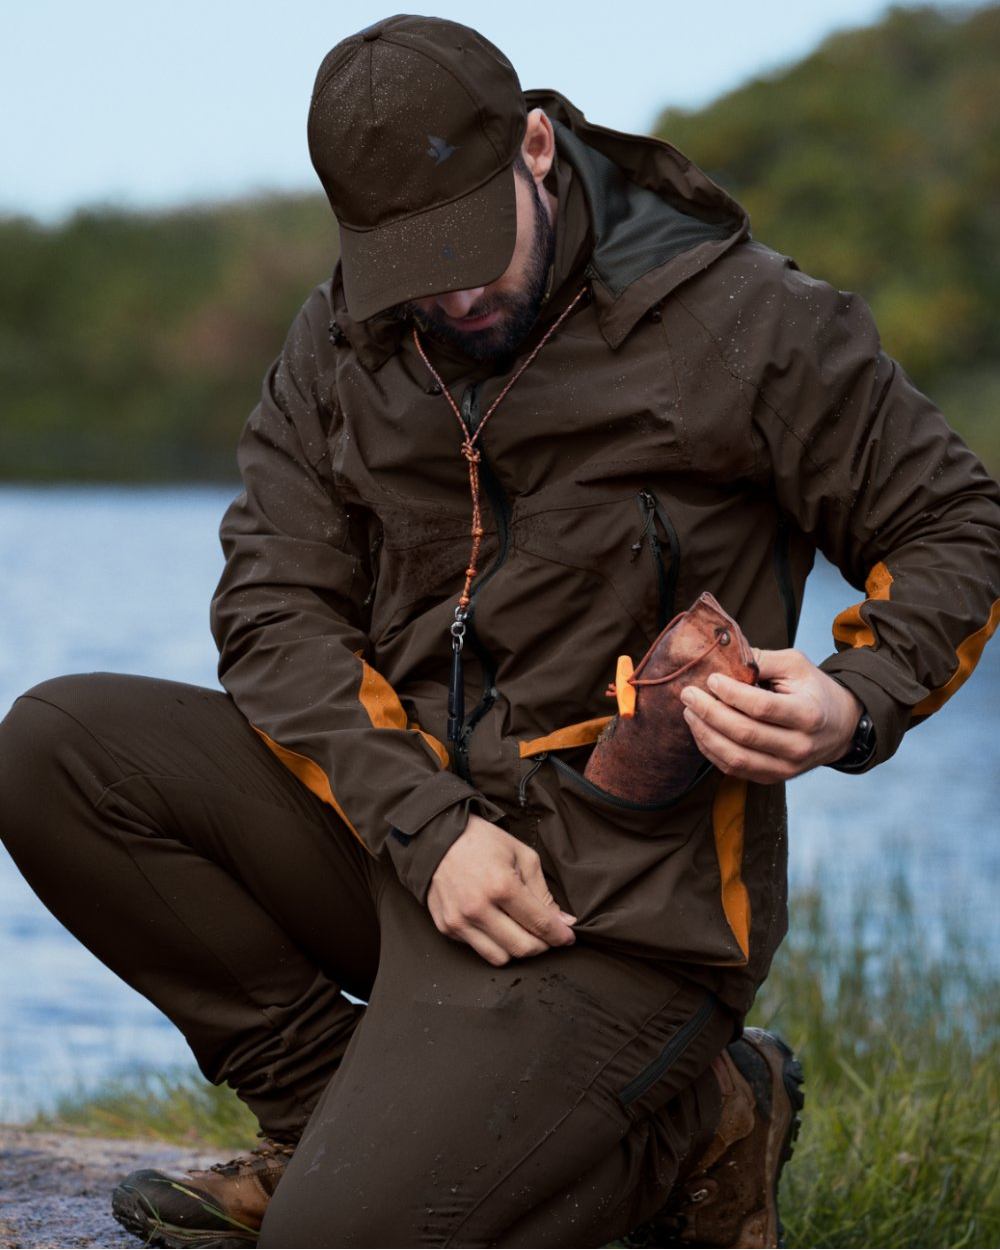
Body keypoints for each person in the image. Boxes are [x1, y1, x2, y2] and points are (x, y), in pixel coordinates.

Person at [2, 13, 998, 1249]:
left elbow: (957, 522)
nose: (455, 293)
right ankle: (320, 1111)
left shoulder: (752, 322)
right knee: (55, 749)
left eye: (470, 246)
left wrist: (856, 697)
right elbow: (269, 606)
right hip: (412, 848)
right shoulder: (341, 342)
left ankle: (707, 1113)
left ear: (534, 147)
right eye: (411, 264)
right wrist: (424, 827)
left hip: (623, 915)